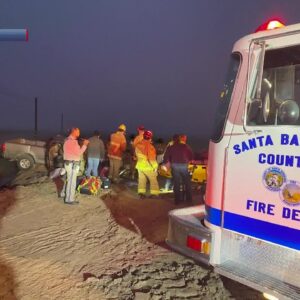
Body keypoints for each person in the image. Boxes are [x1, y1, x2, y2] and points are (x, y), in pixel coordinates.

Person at [61, 127, 89, 205]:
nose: (79, 133)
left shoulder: (67, 140)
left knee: (68, 179)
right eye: (78, 132)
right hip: (72, 164)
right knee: (72, 182)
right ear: (74, 132)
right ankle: (69, 199)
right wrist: (85, 145)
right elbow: (79, 153)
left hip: (68, 163)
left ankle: (63, 193)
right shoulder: (73, 142)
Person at [162, 134, 193, 204]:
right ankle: (189, 200)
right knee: (187, 183)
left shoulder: (170, 147)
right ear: (179, 139)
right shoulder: (185, 146)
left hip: (175, 166)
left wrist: (165, 164)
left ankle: (177, 201)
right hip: (184, 165)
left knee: (176, 183)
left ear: (173, 140)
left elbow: (165, 157)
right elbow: (191, 155)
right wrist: (189, 160)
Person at [135, 130, 160, 198]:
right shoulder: (150, 146)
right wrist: (155, 167)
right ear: (150, 137)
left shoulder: (138, 144)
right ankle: (154, 194)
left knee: (142, 180)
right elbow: (152, 158)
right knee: (153, 180)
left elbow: (136, 155)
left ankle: (141, 193)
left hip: (139, 166)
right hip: (147, 166)